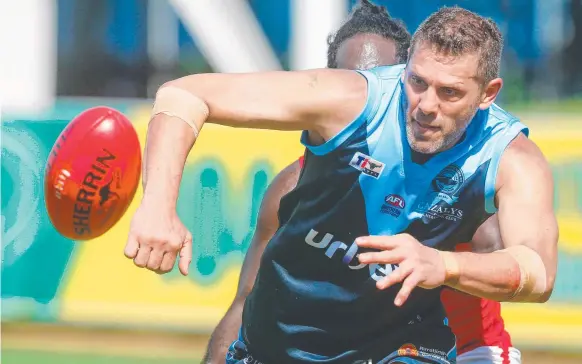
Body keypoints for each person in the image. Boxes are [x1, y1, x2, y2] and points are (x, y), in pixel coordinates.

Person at [125, 5, 558, 364]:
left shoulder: (510, 157)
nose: (425, 105)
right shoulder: (351, 101)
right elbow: (183, 96)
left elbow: (538, 272)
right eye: (417, 82)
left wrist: (442, 266)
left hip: (402, 345)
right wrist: (158, 207)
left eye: (448, 93)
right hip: (280, 342)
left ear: (488, 94)